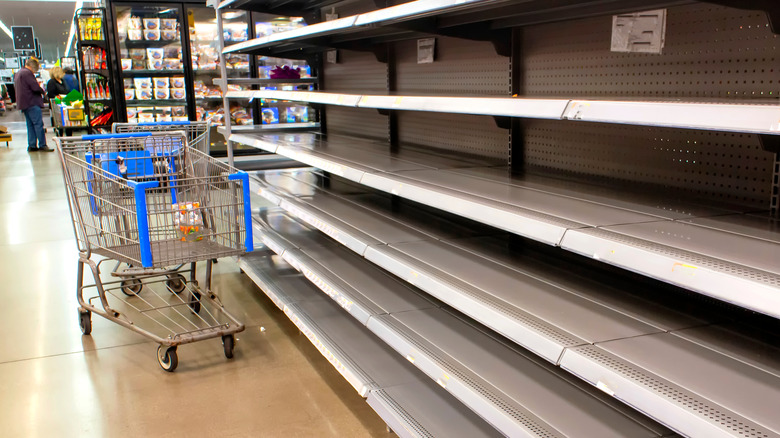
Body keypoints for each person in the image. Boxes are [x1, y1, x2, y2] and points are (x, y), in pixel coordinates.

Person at [13, 57, 51, 152]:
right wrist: (43, 91)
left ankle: (32, 145)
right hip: (32, 102)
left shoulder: (19, 73)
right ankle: (42, 145)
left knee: (30, 125)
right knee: (38, 124)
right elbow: (34, 87)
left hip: (24, 103)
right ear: (33, 67)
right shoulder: (27, 73)